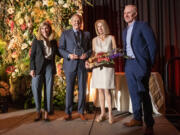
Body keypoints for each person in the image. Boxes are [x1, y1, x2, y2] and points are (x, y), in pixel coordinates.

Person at [122, 5, 157, 135]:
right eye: (125, 13)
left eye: (129, 13)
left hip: (141, 64)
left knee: (143, 93)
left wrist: (149, 64)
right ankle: (137, 118)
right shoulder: (125, 31)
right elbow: (127, 48)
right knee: (134, 93)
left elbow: (152, 45)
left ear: (135, 14)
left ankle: (149, 123)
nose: (126, 15)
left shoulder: (143, 26)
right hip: (129, 64)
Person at [59, 14, 92, 121]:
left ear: (81, 22)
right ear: (71, 22)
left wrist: (86, 55)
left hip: (82, 65)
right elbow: (61, 49)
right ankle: (68, 113)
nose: (76, 22)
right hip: (70, 64)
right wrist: (69, 55)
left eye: (78, 21)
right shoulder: (65, 34)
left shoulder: (86, 34)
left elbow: (90, 49)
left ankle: (81, 112)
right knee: (69, 89)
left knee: (82, 89)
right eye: (74, 21)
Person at [86, 19, 116, 124]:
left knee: (107, 90)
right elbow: (94, 54)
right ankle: (103, 113)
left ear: (105, 26)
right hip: (98, 67)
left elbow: (115, 53)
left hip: (107, 67)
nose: (100, 28)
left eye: (101, 26)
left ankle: (110, 114)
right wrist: (89, 61)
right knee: (100, 91)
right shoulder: (94, 40)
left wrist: (108, 56)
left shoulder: (111, 38)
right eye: (98, 27)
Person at [30, 21, 60, 122]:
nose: (44, 31)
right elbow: (32, 56)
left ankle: (47, 113)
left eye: (46, 28)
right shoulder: (36, 40)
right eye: (42, 29)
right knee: (36, 88)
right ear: (40, 30)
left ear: (49, 29)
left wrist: (69, 55)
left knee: (48, 90)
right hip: (38, 68)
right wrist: (32, 68)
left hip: (49, 66)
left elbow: (59, 52)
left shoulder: (53, 41)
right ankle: (38, 111)